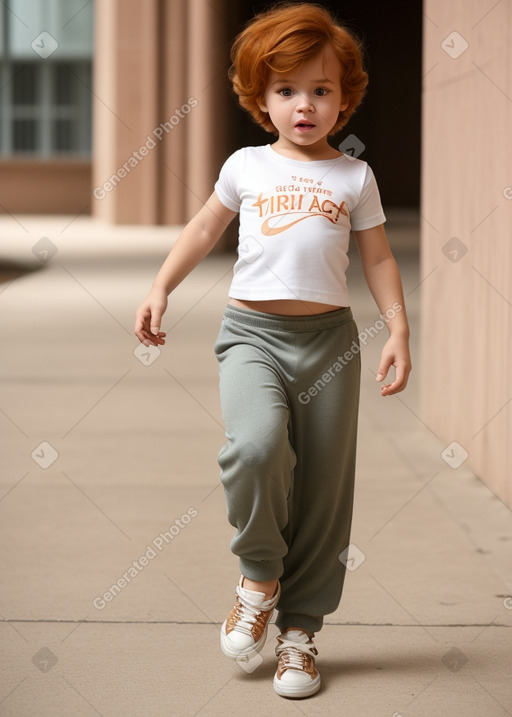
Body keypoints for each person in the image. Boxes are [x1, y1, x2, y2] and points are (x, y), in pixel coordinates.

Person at [135, 1, 411, 700]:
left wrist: (398, 327)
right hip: (251, 334)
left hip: (329, 345)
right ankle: (259, 576)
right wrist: (162, 286)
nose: (305, 105)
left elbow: (377, 260)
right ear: (261, 98)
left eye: (321, 90)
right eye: (287, 90)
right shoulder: (246, 166)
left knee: (322, 486)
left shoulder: (354, 178)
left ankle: (300, 632)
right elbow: (203, 229)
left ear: (344, 98)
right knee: (255, 449)